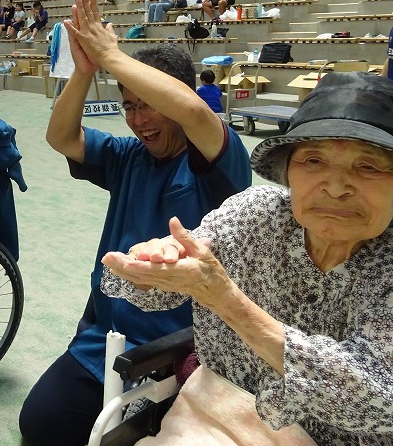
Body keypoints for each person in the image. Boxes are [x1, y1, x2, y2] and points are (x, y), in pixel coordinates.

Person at [101, 71, 393, 446]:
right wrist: (153, 266)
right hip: (206, 419)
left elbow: (378, 398)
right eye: (314, 161)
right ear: (287, 170)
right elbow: (162, 286)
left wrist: (227, 301)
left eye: (367, 166)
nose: (335, 188)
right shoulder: (251, 214)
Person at [19, 0, 251, 446]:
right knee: (42, 425)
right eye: (129, 105)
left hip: (184, 348)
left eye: (147, 102)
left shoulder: (218, 161)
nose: (137, 118)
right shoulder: (129, 155)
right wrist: (86, 71)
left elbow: (196, 112)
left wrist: (112, 55)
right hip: (106, 340)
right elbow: (61, 135)